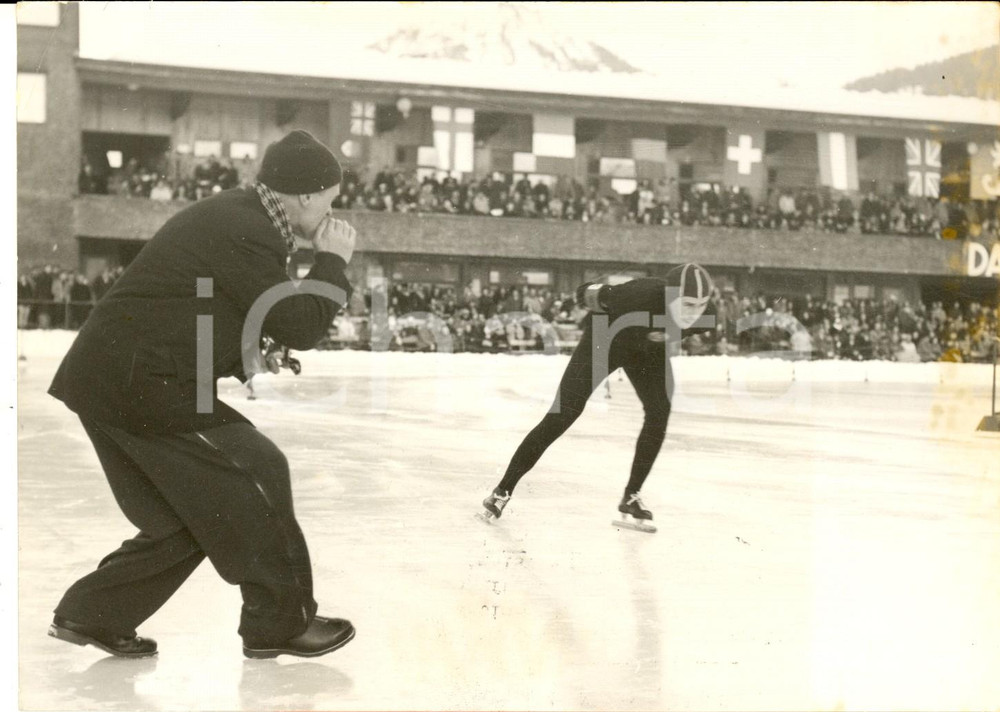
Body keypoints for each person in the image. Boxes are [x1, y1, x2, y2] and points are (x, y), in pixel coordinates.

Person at [46, 130, 358, 659]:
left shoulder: (240, 217)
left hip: (111, 378)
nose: (334, 210)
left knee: (186, 515)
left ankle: (94, 614)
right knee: (260, 468)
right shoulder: (249, 228)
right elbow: (300, 324)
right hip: (143, 382)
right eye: (332, 197)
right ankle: (279, 623)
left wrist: (249, 351)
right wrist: (332, 263)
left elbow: (202, 301)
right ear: (306, 195)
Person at [478, 263, 717, 533]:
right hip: (604, 341)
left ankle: (631, 495)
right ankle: (502, 490)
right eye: (687, 304)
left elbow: (689, 324)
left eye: (700, 306)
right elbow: (585, 293)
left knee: (659, 410)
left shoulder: (707, 316)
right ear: (670, 295)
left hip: (646, 350)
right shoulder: (638, 295)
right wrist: (590, 294)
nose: (693, 313)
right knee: (564, 413)